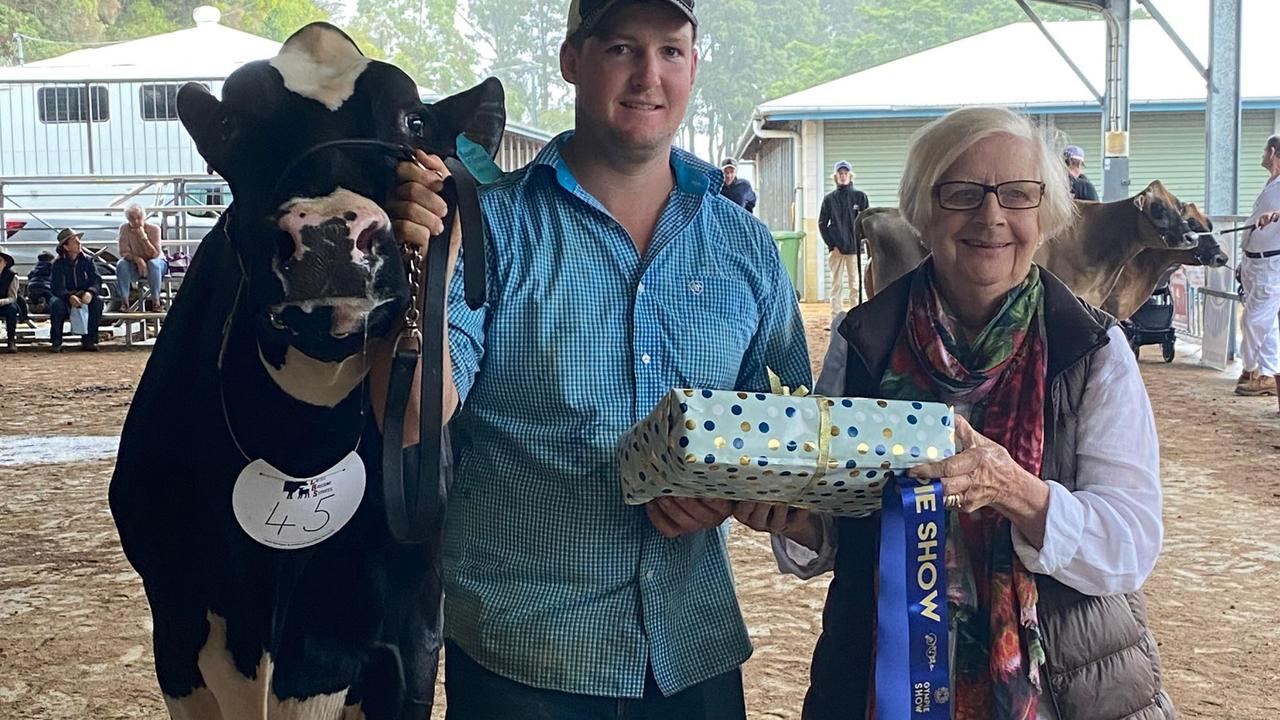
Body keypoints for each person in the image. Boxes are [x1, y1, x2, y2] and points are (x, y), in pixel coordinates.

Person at [387, 0, 810, 717]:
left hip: (692, 654)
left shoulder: (744, 247)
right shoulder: (489, 227)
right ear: (572, 61)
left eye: (671, 51)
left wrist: (742, 491)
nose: (650, 75)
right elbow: (410, 422)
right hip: (525, 662)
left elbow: (788, 433)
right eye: (621, 48)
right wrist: (419, 273)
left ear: (694, 65)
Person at [737, 107, 1172, 720]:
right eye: (962, 194)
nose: (991, 216)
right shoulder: (863, 340)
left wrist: (1015, 489)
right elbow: (837, 530)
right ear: (923, 211)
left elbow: (1128, 546)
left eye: (1017, 195)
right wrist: (796, 520)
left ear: (1043, 216)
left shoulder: (1092, 350)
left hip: (1064, 691)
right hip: (879, 687)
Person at [1235, 134, 1280, 397]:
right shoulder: (1270, 184)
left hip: (1271, 262)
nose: (1263, 155)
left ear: (1273, 152)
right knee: (1266, 323)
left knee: (1253, 321)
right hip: (1254, 260)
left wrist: (1276, 214)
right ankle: (1266, 374)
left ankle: (1251, 368)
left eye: (1265, 151)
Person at [818, 160, 870, 313]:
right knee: (836, 284)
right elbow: (822, 224)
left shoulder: (860, 197)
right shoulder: (829, 199)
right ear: (835, 177)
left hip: (854, 250)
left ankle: (856, 314)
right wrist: (831, 245)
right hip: (837, 251)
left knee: (855, 284)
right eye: (840, 173)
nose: (843, 176)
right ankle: (836, 315)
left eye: (845, 173)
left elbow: (866, 221)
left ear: (850, 176)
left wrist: (862, 243)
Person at [50, 227, 104, 352]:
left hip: (84, 294)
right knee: (57, 305)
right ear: (66, 247)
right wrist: (68, 296)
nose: (79, 243)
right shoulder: (57, 264)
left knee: (97, 303)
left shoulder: (88, 260)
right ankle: (56, 341)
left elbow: (96, 280)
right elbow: (56, 287)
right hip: (65, 296)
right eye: (74, 241)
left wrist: (91, 292)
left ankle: (90, 340)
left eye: (78, 240)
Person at [115, 204, 167, 312]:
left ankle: (156, 302)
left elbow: (155, 254)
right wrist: (138, 260)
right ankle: (125, 301)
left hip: (156, 264)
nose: (136, 221)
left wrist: (143, 237)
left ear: (144, 217)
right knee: (121, 264)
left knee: (153, 264)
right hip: (135, 264)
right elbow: (123, 251)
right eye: (132, 219)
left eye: (139, 218)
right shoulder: (124, 229)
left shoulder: (154, 229)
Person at [0, 250, 18, 353]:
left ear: (5, 263)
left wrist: (1, 302)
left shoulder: (12, 276)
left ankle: (11, 340)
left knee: (12, 308)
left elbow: (12, 297)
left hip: (5, 304)